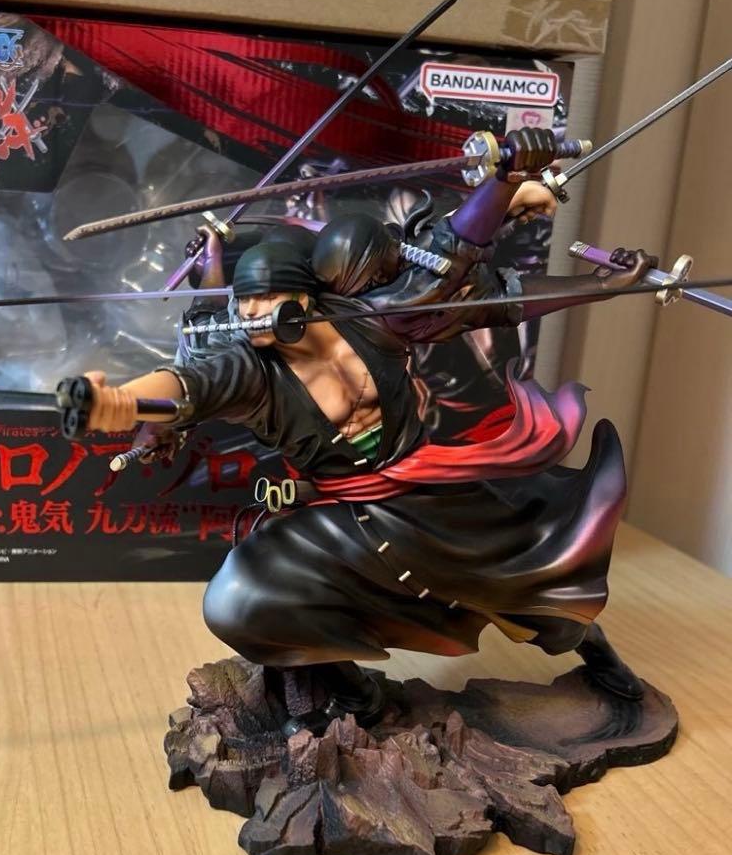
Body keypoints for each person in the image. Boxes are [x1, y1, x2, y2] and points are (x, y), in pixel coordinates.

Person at [81, 130, 651, 734]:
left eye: (265, 299)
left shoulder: (370, 321)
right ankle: (359, 697)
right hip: (340, 519)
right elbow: (187, 384)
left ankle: (597, 654)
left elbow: (450, 257)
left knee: (533, 578)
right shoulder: (251, 370)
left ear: (304, 297)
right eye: (242, 304)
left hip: (430, 496)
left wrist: (507, 184)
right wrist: (119, 402)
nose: (251, 316)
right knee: (243, 600)